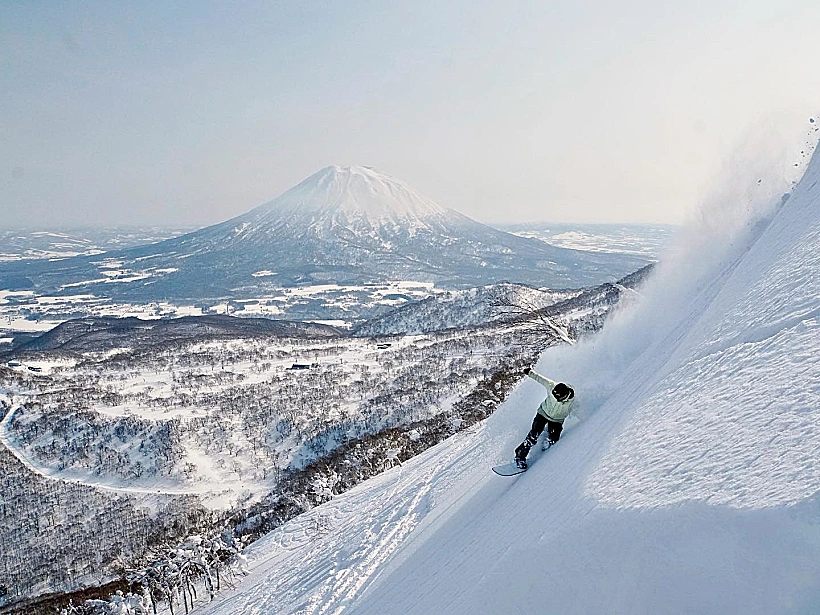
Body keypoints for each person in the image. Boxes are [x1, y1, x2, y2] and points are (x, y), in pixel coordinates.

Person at [514, 367, 575, 469]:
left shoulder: (572, 399)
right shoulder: (552, 386)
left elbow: (577, 408)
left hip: (557, 420)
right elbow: (540, 378)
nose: (556, 400)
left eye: (558, 398)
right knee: (533, 436)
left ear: (565, 396)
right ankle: (520, 457)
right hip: (543, 414)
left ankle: (546, 449)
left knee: (554, 438)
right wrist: (529, 372)